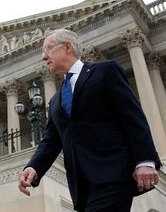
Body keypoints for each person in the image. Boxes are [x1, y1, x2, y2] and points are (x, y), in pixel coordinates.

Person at [18, 28, 161, 212]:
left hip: (113, 174)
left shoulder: (105, 72)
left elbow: (132, 116)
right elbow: (51, 141)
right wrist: (33, 168)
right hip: (82, 186)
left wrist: (145, 160)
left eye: (47, 49)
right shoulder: (55, 100)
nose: (43, 57)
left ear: (67, 47)